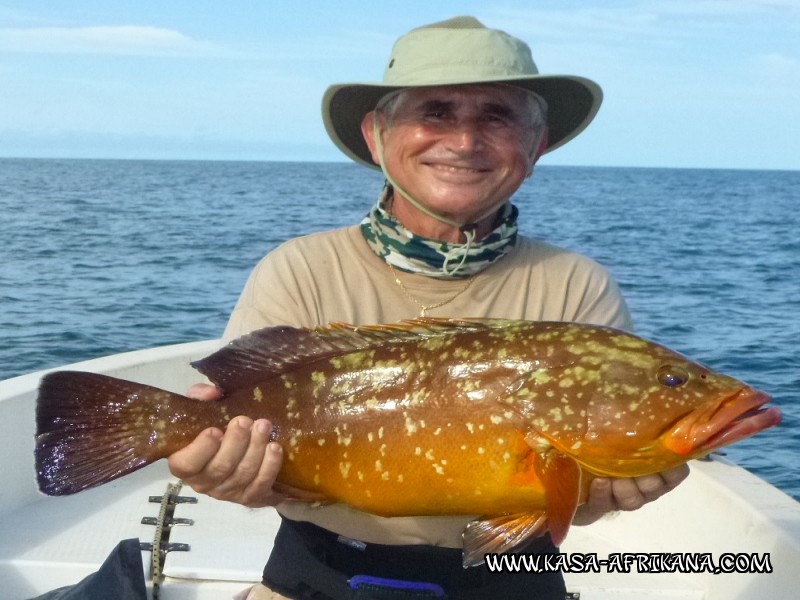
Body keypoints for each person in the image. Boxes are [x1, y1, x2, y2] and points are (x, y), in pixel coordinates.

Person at [168, 16, 688, 599]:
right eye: (435, 111)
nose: (465, 142)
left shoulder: (576, 286)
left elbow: (573, 494)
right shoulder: (300, 269)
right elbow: (254, 462)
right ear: (376, 135)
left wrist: (605, 494)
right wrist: (227, 472)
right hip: (314, 575)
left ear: (535, 145)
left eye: (497, 115)